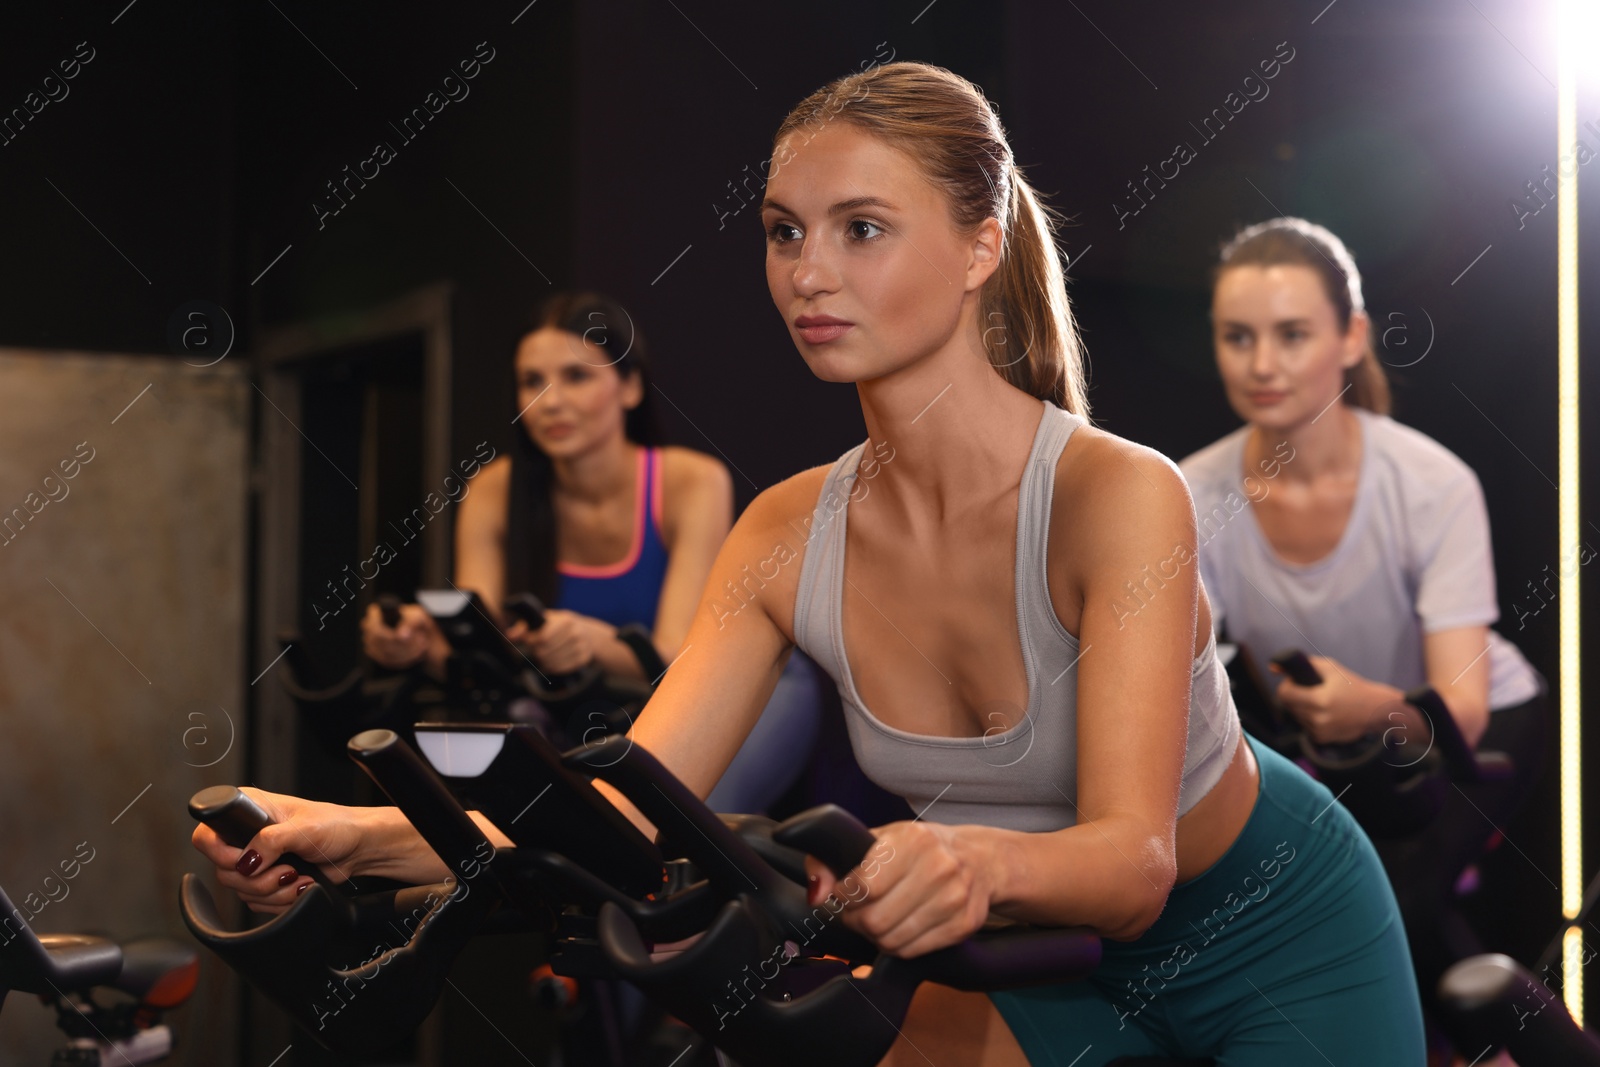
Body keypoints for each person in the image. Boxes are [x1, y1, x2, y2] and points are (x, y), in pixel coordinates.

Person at [196, 64, 1425, 1065]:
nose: (808, 273)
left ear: (978, 244)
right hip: (1027, 959)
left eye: (863, 229)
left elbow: (1129, 864)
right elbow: (618, 810)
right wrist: (348, 834)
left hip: (1270, 927)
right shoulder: (785, 532)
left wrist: (972, 857)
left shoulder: (1118, 494)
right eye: (785, 232)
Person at [1179, 216, 1548, 1059]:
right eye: (1238, 337)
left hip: (1474, 734)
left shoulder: (1431, 484)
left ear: (1350, 339)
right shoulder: (1190, 494)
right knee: (1324, 907)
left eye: (1292, 334)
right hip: (1329, 750)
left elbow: (1462, 711)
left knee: (1402, 900)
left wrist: (1377, 708)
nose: (1261, 363)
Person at [359, 290, 826, 813]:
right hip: (604, 705)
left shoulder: (690, 482)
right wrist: (415, 642)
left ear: (629, 387)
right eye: (531, 381)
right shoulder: (494, 490)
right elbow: (486, 657)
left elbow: (677, 659)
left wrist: (592, 643)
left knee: (683, 823)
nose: (549, 400)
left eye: (576, 376)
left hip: (742, 686)